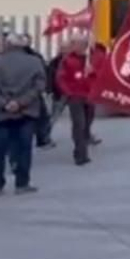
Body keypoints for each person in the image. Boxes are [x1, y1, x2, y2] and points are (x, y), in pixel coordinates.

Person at [0, 34, 48, 195]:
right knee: (24, 148)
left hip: (1, 114)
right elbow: (39, 86)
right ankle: (21, 183)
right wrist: (21, 102)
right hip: (27, 111)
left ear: (8, 45)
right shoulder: (35, 63)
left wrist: (3, 103)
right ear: (23, 46)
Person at [54, 34, 97, 166]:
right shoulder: (67, 60)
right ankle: (80, 153)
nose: (79, 46)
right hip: (75, 96)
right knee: (79, 123)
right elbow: (60, 78)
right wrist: (69, 92)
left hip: (89, 95)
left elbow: (100, 75)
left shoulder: (91, 59)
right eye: (77, 44)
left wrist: (93, 72)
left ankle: (85, 140)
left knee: (88, 121)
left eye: (82, 44)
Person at [11, 34, 56, 149]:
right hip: (24, 92)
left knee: (42, 117)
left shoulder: (35, 56)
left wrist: (45, 87)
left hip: (32, 92)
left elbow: (43, 72)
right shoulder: (13, 58)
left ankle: (41, 139)